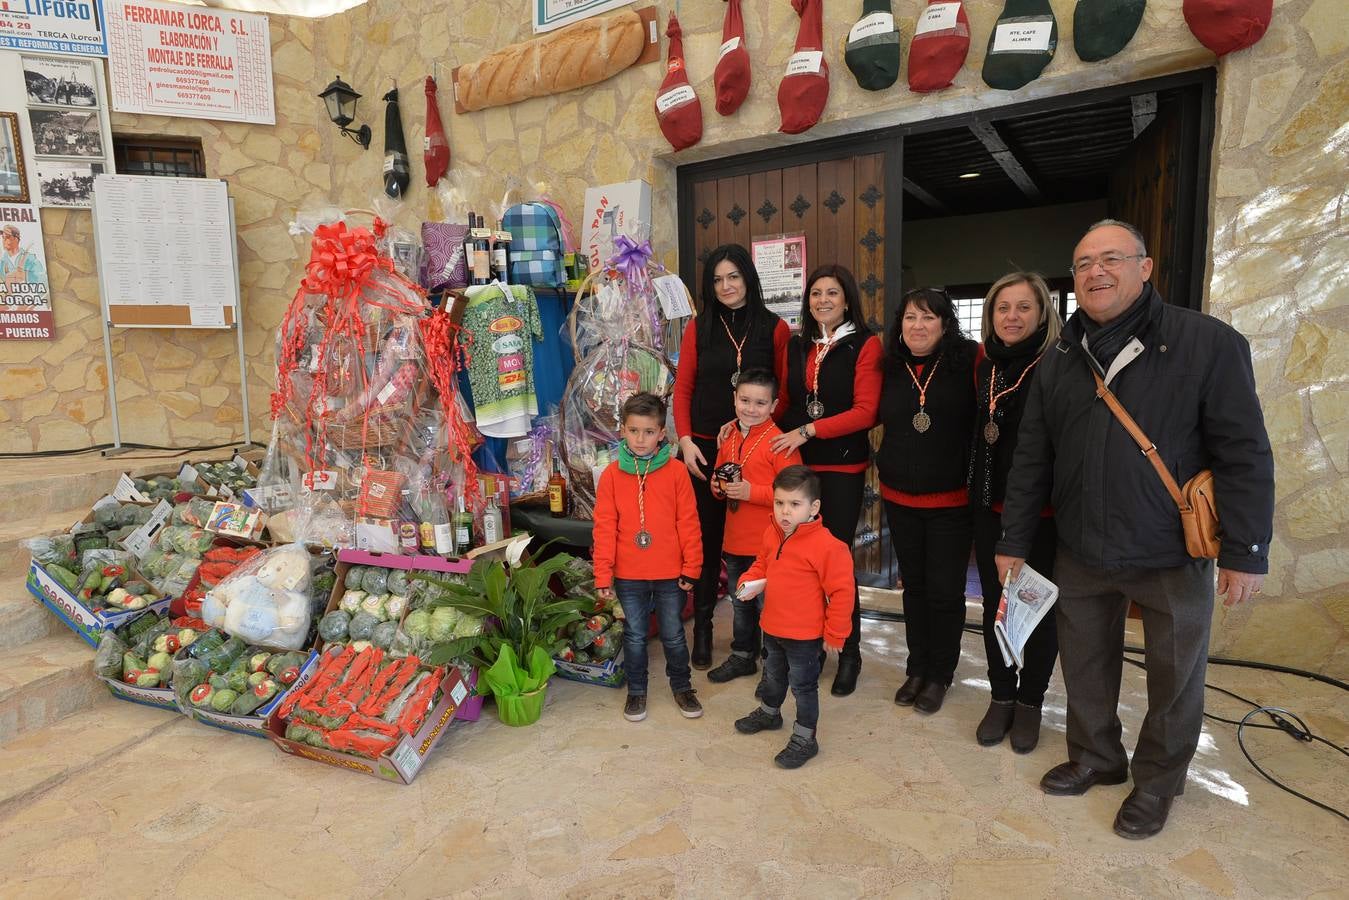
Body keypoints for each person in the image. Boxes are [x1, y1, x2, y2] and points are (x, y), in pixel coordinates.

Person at [996, 219, 1274, 839]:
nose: (1096, 272)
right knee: (1086, 663)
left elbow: (1244, 452)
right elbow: (1032, 458)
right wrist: (1013, 542)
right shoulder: (1060, 358)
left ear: (1144, 268)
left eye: (1112, 259)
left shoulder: (1207, 343)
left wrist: (1247, 550)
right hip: (1084, 544)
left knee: (1175, 677)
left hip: (1170, 550)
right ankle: (1096, 755)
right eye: (1085, 262)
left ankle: (1157, 781)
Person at [672, 244, 790, 668]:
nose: (726, 286)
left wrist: (760, 430)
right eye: (717, 280)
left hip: (756, 447)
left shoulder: (774, 329)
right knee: (702, 542)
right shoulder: (698, 328)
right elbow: (683, 388)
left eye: (733, 277)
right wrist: (685, 441)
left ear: (748, 278)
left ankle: (761, 637)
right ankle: (703, 628)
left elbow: (785, 392)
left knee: (755, 545)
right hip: (704, 448)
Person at [770, 264, 883, 696]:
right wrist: (748, 425)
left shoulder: (865, 345)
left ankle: (849, 650)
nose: (822, 300)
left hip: (841, 467)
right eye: (815, 293)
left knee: (835, 562)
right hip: (799, 467)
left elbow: (864, 412)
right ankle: (810, 646)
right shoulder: (798, 346)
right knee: (799, 562)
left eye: (831, 293)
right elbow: (785, 403)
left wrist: (810, 430)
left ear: (847, 298)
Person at [969, 272, 1062, 752]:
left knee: (1037, 612)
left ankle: (1031, 703)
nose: (1012, 317)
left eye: (1023, 307)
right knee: (993, 610)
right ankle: (1001, 696)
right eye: (1003, 307)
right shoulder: (987, 365)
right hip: (990, 508)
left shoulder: (1056, 365)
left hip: (1041, 515)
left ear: (1042, 313)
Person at [877, 288, 977, 715]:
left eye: (928, 318)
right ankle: (916, 667)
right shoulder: (889, 366)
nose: (918, 326)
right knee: (913, 588)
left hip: (951, 502)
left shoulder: (970, 360)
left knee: (945, 592)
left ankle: (940, 674)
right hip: (899, 498)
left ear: (944, 324)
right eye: (910, 318)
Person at [732, 466, 855, 768]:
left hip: (804, 636)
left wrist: (835, 634)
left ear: (814, 508)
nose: (785, 512)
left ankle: (805, 737)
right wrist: (747, 581)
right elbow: (761, 564)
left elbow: (842, 593)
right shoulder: (772, 533)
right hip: (772, 626)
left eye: (794, 505)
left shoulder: (829, 547)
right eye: (779, 503)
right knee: (772, 675)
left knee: (803, 686)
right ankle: (770, 713)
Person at [593, 393, 705, 724]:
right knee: (635, 635)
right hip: (629, 575)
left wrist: (692, 567)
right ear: (622, 431)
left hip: (671, 573)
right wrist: (603, 575)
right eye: (633, 431)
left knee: (672, 634)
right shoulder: (611, 475)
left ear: (661, 434)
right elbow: (603, 528)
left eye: (649, 432)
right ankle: (637, 691)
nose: (641, 439)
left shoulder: (676, 472)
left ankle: (682, 687)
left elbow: (689, 522)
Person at [706, 368, 802, 683]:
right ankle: (742, 656)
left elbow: (793, 495)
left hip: (768, 546)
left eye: (760, 403)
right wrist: (718, 487)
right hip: (734, 541)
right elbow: (718, 474)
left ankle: (774, 670)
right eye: (745, 400)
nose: (751, 408)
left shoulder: (781, 443)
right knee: (740, 604)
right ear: (734, 399)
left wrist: (752, 492)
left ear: (774, 405)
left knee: (769, 609)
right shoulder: (729, 435)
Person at [1, 225, 47, 293]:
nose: (4, 240)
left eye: (7, 237)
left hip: (28, 299)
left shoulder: (30, 259)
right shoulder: (2, 262)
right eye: (3, 237)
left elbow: (43, 281)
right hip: (8, 301)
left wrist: (25, 277)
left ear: (16, 239)